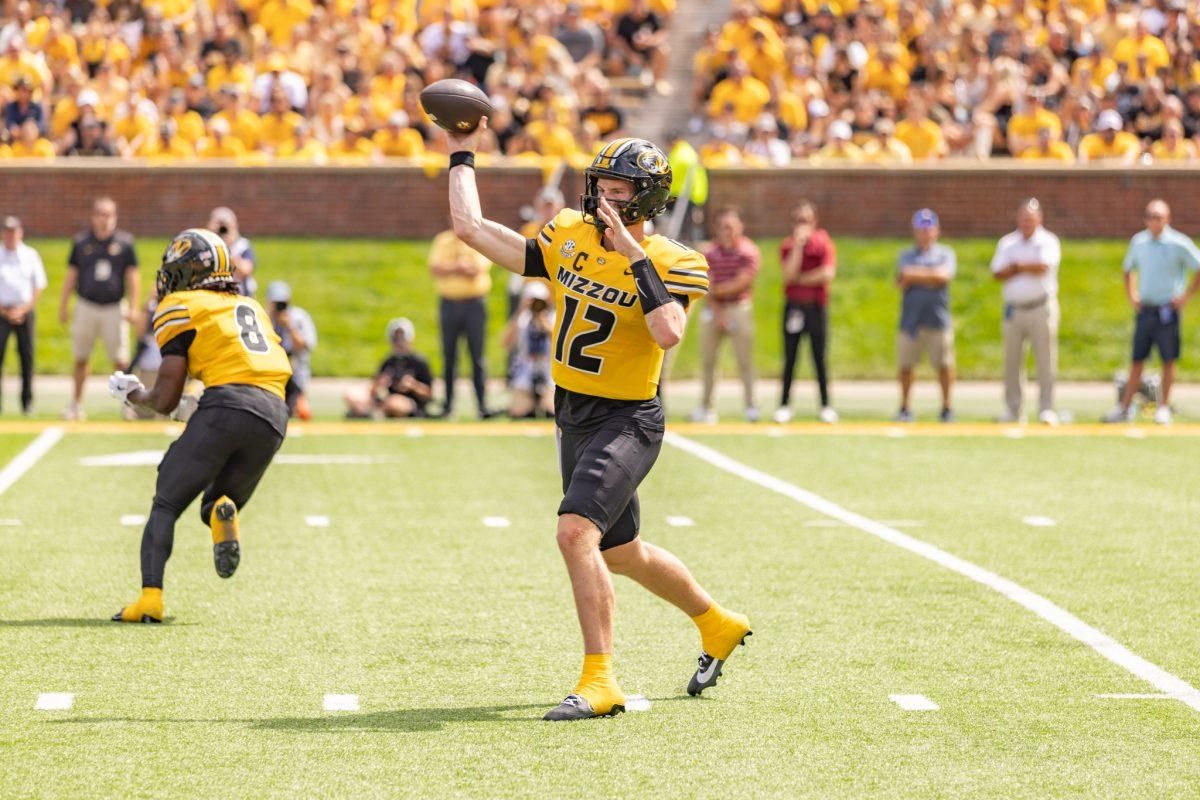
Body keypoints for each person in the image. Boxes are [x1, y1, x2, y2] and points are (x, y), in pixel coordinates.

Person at [446, 128, 751, 720]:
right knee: (621, 551)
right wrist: (460, 156)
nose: (601, 197)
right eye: (599, 185)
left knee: (574, 533)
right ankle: (717, 624)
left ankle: (600, 679)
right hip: (573, 413)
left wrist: (633, 255)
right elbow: (473, 230)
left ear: (643, 199)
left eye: (615, 188)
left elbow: (668, 333)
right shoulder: (568, 233)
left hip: (628, 418)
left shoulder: (671, 259)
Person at [107, 229, 291, 623]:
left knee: (167, 502)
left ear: (192, 272)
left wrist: (135, 395)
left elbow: (168, 397)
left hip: (226, 404)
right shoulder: (250, 306)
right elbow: (245, 381)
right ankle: (223, 505)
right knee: (213, 503)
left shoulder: (181, 305)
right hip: (274, 413)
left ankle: (150, 599)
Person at [1103, 199, 1200, 424]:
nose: (1154, 221)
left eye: (1159, 216)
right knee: (1137, 359)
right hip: (1146, 309)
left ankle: (1163, 407)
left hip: (1167, 310)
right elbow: (1128, 269)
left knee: (1168, 360)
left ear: (1167, 219)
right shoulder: (1139, 241)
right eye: (1150, 216)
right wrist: (1132, 294)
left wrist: (1186, 296)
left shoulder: (1178, 243)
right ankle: (1124, 408)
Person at [59, 197, 140, 421]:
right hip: (86, 305)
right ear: (93, 216)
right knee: (81, 356)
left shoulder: (124, 243)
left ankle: (127, 405)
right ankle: (76, 404)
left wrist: (133, 306)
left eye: (108, 214)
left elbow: (132, 276)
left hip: (114, 307)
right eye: (100, 214)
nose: (104, 219)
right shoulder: (81, 242)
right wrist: (63, 305)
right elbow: (71, 275)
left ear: (115, 217)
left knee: (121, 359)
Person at [990, 198, 1061, 425]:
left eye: (1030, 218)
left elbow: (1042, 267)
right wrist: (1021, 267)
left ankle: (1046, 408)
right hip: (1014, 309)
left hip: (1041, 306)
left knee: (1045, 360)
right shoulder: (1007, 242)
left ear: (1039, 219)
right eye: (1023, 218)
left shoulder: (1048, 240)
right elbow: (997, 273)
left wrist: (1017, 267)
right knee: (1012, 361)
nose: (1027, 222)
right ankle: (1013, 409)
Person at [692, 207, 760, 423]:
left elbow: (741, 282)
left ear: (740, 227)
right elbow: (705, 284)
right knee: (708, 361)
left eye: (730, 226)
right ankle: (706, 407)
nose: (726, 231)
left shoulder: (748, 251)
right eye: (722, 226)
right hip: (713, 308)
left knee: (744, 360)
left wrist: (716, 290)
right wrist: (717, 308)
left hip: (739, 307)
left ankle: (751, 406)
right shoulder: (709, 253)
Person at [776, 200, 837, 424]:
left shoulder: (823, 242)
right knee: (790, 358)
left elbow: (827, 273)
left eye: (807, 220)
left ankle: (825, 404)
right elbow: (788, 275)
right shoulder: (788, 245)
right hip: (794, 306)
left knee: (819, 357)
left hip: (816, 308)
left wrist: (802, 279)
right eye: (799, 220)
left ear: (815, 221)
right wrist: (798, 247)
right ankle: (784, 404)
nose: (803, 225)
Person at [896, 209, 956, 422]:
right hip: (911, 320)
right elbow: (902, 281)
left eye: (929, 228)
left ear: (937, 230)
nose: (925, 233)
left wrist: (915, 274)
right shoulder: (905, 255)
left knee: (944, 365)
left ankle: (947, 407)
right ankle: (904, 407)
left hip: (937, 318)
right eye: (921, 229)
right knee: (906, 366)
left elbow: (944, 276)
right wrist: (929, 275)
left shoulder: (945, 253)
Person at [429, 224, 494, 418]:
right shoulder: (442, 240)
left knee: (477, 357)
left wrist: (450, 268)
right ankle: (448, 405)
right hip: (449, 304)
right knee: (449, 356)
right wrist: (460, 266)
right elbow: (435, 267)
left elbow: (476, 269)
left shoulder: (477, 240)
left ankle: (482, 406)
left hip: (474, 304)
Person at [344, 318, 433, 419]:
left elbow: (429, 394)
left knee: (395, 404)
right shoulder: (389, 361)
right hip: (386, 399)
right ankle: (365, 412)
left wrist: (413, 385)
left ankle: (371, 413)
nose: (399, 342)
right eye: (395, 338)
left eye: (402, 337)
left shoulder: (419, 362)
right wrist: (379, 384)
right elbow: (373, 389)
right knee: (351, 393)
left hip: (408, 403)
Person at [0, 215, 45, 414]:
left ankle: (27, 403)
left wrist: (23, 309)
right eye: (7, 232)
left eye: (14, 231)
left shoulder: (30, 255)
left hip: (24, 312)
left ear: (20, 233)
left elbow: (38, 286)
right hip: (1, 312)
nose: (10, 236)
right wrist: (5, 311)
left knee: (27, 357)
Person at [265, 280, 317, 420]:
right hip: (272, 374)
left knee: (302, 412)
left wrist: (290, 327)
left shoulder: (299, 318)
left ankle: (298, 400)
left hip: (295, 374)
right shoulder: (263, 318)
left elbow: (306, 346)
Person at [503, 281, 556, 418]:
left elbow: (560, 345)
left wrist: (544, 323)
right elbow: (506, 344)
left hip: (548, 370)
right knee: (519, 412)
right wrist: (519, 312)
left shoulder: (552, 318)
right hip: (526, 371)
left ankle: (542, 402)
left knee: (551, 410)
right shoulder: (522, 320)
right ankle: (531, 405)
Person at [207, 207, 256, 296]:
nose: (222, 231)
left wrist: (226, 249)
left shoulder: (242, 246)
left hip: (240, 295)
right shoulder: (206, 246)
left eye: (225, 226)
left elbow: (245, 270)